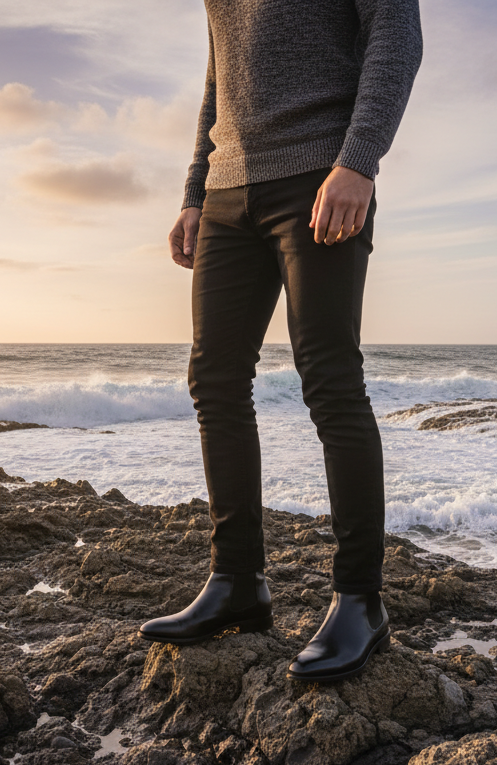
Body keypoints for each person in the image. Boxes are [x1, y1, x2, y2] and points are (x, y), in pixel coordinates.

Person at [139, 0, 423, 683]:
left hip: (320, 175)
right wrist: (194, 191)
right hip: (228, 190)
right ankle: (236, 582)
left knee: (328, 378)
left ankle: (361, 599)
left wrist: (358, 161)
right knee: (214, 381)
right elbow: (220, 80)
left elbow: (395, 37)